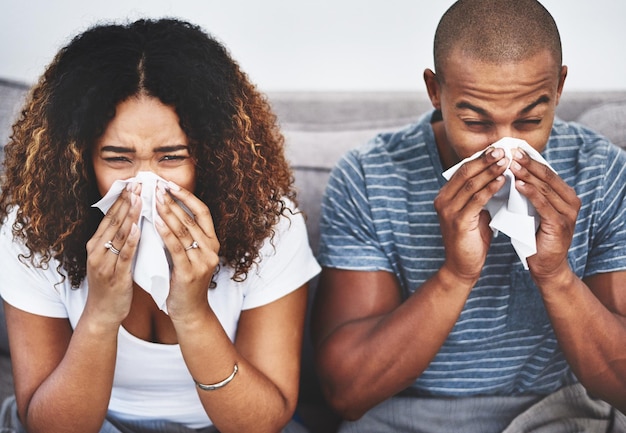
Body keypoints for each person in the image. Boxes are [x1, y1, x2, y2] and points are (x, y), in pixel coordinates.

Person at [312, 0, 626, 431]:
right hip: (405, 418)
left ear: (559, 87)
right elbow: (347, 393)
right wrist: (456, 274)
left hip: (555, 412)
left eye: (530, 120)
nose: (504, 150)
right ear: (435, 91)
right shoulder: (370, 175)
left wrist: (555, 275)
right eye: (476, 123)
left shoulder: (601, 171)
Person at [0, 18, 320, 433]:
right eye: (118, 158)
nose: (146, 183)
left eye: (171, 157)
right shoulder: (35, 227)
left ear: (213, 156)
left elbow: (262, 421)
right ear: (78, 159)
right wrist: (99, 314)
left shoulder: (268, 225)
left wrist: (193, 313)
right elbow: (49, 424)